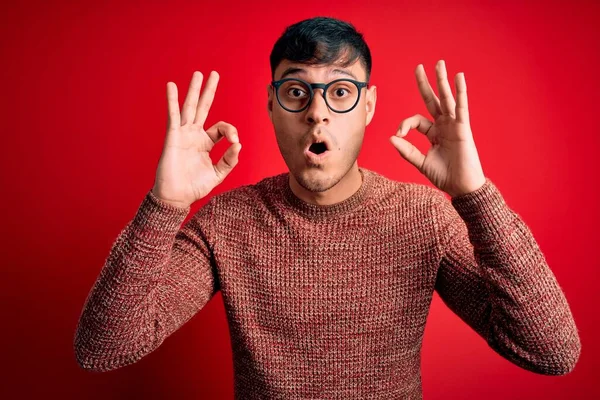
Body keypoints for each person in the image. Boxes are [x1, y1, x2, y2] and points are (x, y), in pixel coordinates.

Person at [74, 16, 581, 399]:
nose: (318, 113)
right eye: (297, 92)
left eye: (340, 91)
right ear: (272, 106)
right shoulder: (226, 223)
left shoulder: (423, 217)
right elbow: (104, 349)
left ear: (368, 106)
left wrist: (476, 196)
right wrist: (163, 206)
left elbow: (551, 352)